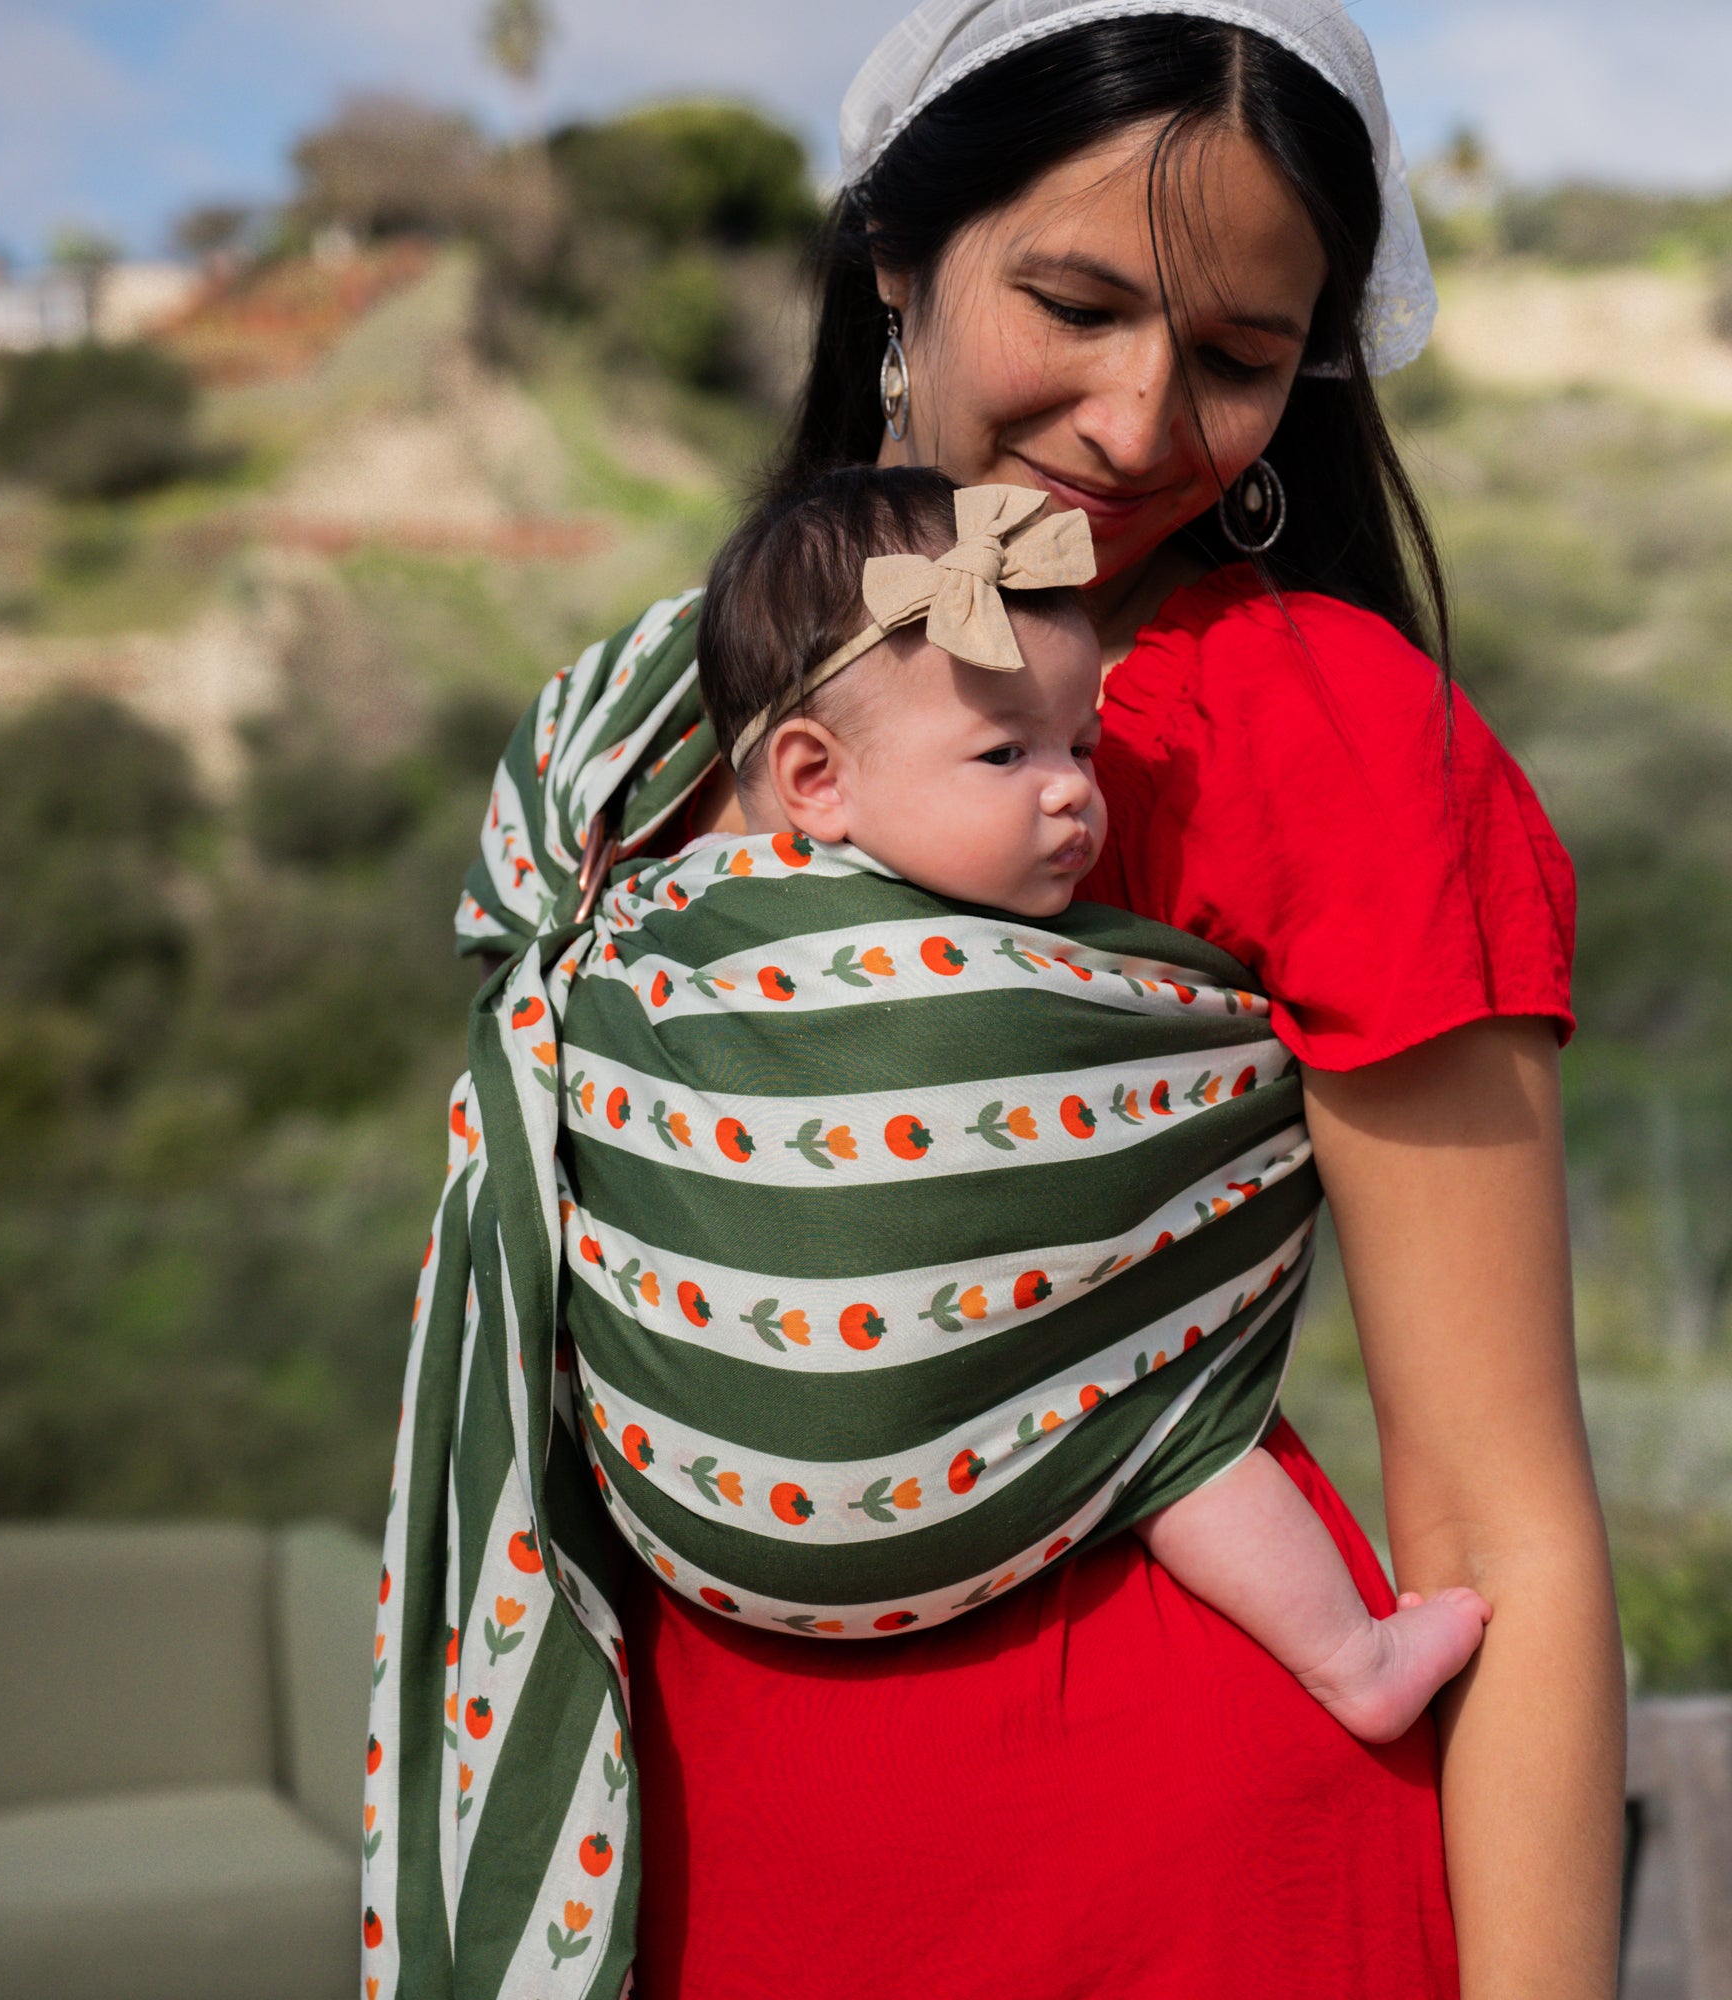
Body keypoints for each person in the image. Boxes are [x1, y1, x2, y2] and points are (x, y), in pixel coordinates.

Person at [371, 4, 1625, 1996]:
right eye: (1075, 300)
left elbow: (1499, 1524)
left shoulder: (1313, 730)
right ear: (892, 254)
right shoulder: (657, 717)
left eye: (1234, 357)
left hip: (1175, 1890)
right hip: (682, 1872)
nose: (1140, 423)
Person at [701, 460, 1492, 1745]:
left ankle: (1353, 1658)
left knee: (1125, 1366)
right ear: (815, 779)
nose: (1070, 787)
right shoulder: (742, 932)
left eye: (1079, 741)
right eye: (1004, 750)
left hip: (749, 1547)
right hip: (779, 1439)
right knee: (1164, 1420)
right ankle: (1351, 1654)